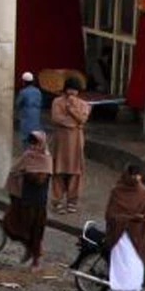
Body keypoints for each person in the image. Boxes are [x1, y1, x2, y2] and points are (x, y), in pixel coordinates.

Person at [2, 131, 53, 270]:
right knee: (11, 225)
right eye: (31, 143)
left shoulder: (46, 159)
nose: (33, 147)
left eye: (36, 143)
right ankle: (29, 248)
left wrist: (28, 173)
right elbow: (14, 171)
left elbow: (41, 179)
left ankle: (35, 259)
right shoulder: (27, 156)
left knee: (35, 232)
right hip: (23, 199)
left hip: (37, 203)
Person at [50, 82, 91, 213]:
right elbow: (57, 118)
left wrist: (72, 109)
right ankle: (57, 201)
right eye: (70, 89)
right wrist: (74, 124)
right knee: (58, 171)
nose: (72, 92)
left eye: (75, 90)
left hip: (76, 142)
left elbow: (83, 119)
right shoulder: (57, 102)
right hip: (60, 142)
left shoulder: (84, 104)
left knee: (75, 171)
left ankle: (72, 201)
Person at [15, 72, 44, 144]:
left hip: (26, 116)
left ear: (24, 82)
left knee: (26, 137)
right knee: (35, 136)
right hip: (36, 116)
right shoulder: (38, 91)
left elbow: (18, 103)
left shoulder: (23, 92)